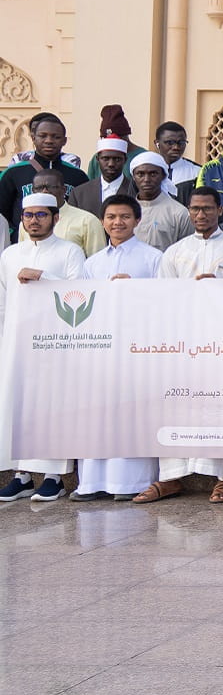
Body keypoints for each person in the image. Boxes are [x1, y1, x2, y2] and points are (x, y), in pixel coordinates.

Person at [130, 186, 223, 504]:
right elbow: (163, 298)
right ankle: (171, 478)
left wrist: (220, 290)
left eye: (207, 209)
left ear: (219, 210)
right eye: (195, 209)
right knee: (176, 405)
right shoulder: (175, 252)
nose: (201, 214)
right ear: (188, 211)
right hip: (185, 341)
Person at [68, 194, 164, 502]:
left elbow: (164, 303)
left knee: (131, 413)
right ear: (102, 221)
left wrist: (135, 292)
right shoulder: (92, 263)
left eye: (124, 217)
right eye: (111, 217)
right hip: (101, 350)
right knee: (96, 414)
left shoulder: (153, 258)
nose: (117, 222)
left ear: (137, 220)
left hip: (138, 349)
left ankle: (130, 483)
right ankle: (92, 483)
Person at [0, 192, 88, 503]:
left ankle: (53, 476)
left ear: (55, 218)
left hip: (55, 342)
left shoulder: (70, 252)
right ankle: (22, 475)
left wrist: (45, 277)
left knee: (52, 405)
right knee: (17, 404)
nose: (34, 221)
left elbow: (83, 292)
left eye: (41, 215)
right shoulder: (10, 254)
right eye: (28, 215)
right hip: (16, 340)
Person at [1, 113, 87, 233]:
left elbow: (84, 213)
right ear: (33, 138)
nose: (49, 141)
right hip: (25, 242)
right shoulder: (13, 173)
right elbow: (2, 212)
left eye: (56, 137)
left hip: (66, 241)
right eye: (43, 136)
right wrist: (13, 234)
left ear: (64, 140)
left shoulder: (78, 176)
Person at [129, 151, 192, 250]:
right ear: (133, 177)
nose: (146, 179)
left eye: (153, 174)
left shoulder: (179, 213)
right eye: (140, 174)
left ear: (163, 175)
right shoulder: (125, 212)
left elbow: (186, 252)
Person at [34, 172, 105, 256]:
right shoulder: (28, 223)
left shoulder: (88, 221)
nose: (44, 191)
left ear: (64, 190)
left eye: (51, 187)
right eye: (39, 188)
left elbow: (97, 262)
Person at [67, 137, 129, 219]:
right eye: (106, 159)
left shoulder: (136, 191)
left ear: (125, 160)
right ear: (97, 159)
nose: (111, 164)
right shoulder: (79, 193)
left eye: (117, 159)